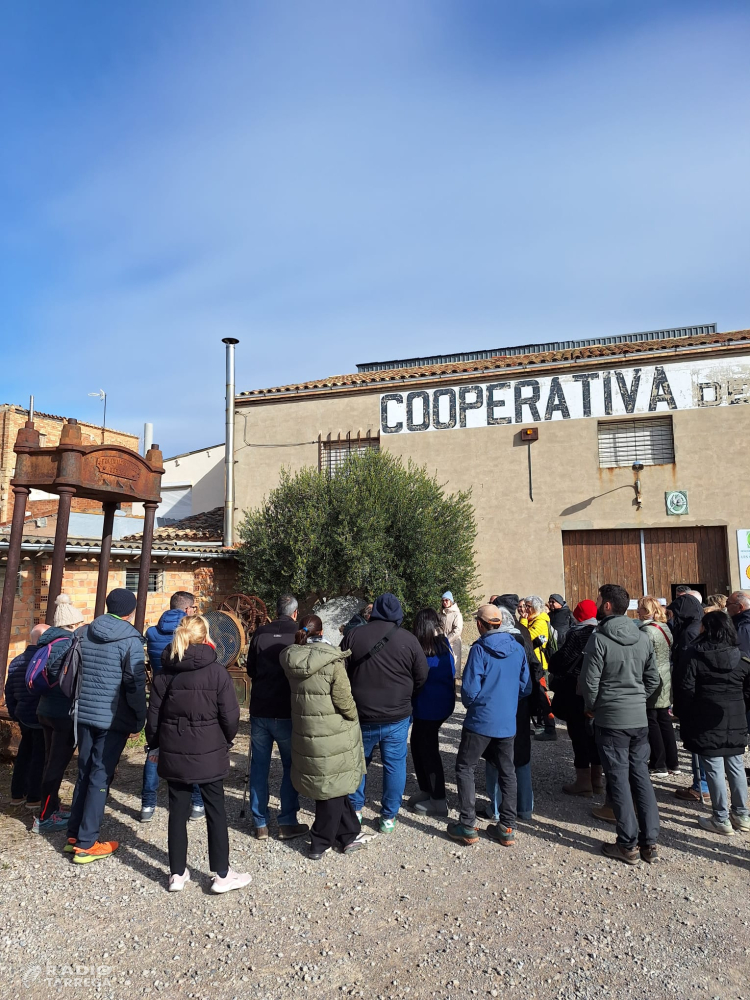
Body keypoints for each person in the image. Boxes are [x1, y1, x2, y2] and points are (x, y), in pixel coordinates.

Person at [146, 614, 250, 893]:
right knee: (216, 811)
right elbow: (231, 716)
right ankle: (222, 874)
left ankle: (177, 873)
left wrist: (154, 745)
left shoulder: (165, 672)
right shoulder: (217, 672)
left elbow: (153, 716)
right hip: (209, 749)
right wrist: (225, 740)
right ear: (206, 637)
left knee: (177, 812)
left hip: (175, 749)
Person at [580, 584, 661, 864]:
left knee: (618, 779)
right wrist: (637, 699)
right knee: (641, 777)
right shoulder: (643, 637)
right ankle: (650, 842)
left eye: (598, 599)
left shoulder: (599, 639)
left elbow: (589, 682)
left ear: (606, 605)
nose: (596, 603)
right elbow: (653, 679)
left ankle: (627, 844)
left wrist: (594, 707)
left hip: (611, 719)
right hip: (637, 718)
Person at [67, 588, 147, 863]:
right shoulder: (131, 640)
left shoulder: (82, 633)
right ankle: (87, 843)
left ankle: (74, 835)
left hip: (83, 713)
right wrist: (139, 717)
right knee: (100, 776)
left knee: (84, 771)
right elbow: (135, 685)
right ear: (131, 612)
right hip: (113, 718)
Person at [280, 614, 368, 860]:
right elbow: (343, 699)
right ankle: (319, 840)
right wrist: (353, 716)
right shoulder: (332, 660)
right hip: (332, 730)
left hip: (307, 728)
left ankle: (349, 833)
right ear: (322, 632)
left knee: (331, 781)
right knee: (331, 785)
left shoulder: (291, 659)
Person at [342, 592, 428, 834]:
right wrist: (407, 696)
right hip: (397, 715)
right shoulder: (409, 640)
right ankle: (388, 816)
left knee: (358, 763)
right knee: (395, 765)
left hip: (361, 714)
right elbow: (422, 676)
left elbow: (340, 672)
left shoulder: (353, 635)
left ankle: (355, 810)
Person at [448, 604, 530, 848]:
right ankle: (507, 827)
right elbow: (525, 686)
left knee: (465, 767)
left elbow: (469, 690)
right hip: (507, 721)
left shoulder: (480, 649)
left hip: (481, 720)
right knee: (507, 771)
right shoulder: (517, 648)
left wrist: (476, 704)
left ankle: (467, 824)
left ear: (480, 625)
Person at [675, 611, 750, 836]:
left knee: (714, 766)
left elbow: (685, 689)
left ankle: (721, 818)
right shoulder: (742, 658)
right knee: (735, 763)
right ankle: (742, 814)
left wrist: (685, 714)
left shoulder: (694, 655)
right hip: (735, 717)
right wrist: (740, 706)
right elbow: (748, 690)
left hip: (705, 717)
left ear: (707, 629)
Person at [246, 593, 309, 841]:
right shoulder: (299, 634)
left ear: (276, 611)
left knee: (259, 767)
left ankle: (260, 823)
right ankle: (287, 821)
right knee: (290, 766)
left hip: (260, 708)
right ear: (295, 613)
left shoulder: (260, 633)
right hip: (287, 710)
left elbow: (251, 669)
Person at [141, 592, 204, 824]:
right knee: (192, 750)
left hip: (160, 694)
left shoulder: (152, 633)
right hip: (187, 696)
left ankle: (147, 805)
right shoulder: (189, 632)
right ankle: (196, 802)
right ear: (187, 610)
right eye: (193, 608)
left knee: (155, 750)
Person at [33, 595, 85, 833]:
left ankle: (50, 806)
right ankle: (46, 816)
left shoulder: (47, 642)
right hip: (63, 713)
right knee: (56, 766)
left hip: (44, 709)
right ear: (73, 624)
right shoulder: (70, 645)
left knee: (49, 761)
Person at [480, 606, 535, 822]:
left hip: (497, 707)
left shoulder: (489, 644)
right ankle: (525, 808)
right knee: (521, 757)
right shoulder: (524, 640)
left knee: (496, 758)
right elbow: (529, 680)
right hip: (520, 706)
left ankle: (495, 808)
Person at [548, 599, 603, 797]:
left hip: (575, 691)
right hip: (597, 690)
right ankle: (597, 781)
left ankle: (583, 782)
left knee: (579, 735)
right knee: (595, 735)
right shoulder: (601, 632)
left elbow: (560, 662)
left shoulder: (577, 634)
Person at [408, 608, 456, 817]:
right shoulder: (443, 644)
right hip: (441, 704)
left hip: (428, 706)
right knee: (417, 745)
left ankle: (438, 799)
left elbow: (417, 678)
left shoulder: (421, 648)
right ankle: (426, 789)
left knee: (428, 751)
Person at [668, 588, 709, 804]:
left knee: (698, 744)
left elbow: (687, 672)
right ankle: (703, 784)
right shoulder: (694, 627)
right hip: (698, 696)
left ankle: (701, 786)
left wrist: (681, 703)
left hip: (694, 697)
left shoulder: (689, 633)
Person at [4, 623, 50, 809]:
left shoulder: (16, 661)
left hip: (23, 714)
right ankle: (34, 797)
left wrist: (15, 713)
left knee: (24, 752)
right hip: (40, 715)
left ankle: (17, 794)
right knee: (39, 755)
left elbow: (9, 691)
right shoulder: (45, 661)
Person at [636, 596, 679, 778]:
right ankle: (673, 762)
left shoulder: (647, 631)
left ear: (646, 611)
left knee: (652, 720)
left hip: (652, 676)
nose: (637, 611)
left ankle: (658, 763)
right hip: (665, 674)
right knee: (664, 720)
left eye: (640, 608)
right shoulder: (664, 627)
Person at [522, 595, 556, 741]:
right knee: (532, 696)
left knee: (542, 697)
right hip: (532, 663)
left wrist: (523, 621)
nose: (525, 609)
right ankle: (536, 726)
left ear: (535, 608)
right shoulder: (533, 620)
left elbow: (526, 638)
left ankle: (550, 728)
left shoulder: (540, 621)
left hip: (539, 665)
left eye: (528, 606)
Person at [439, 592, 464, 674]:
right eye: (443, 600)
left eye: (446, 600)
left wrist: (446, 640)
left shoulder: (457, 614)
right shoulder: (440, 614)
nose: (444, 602)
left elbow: (457, 630)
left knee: (453, 667)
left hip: (453, 644)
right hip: (442, 643)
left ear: (451, 601)